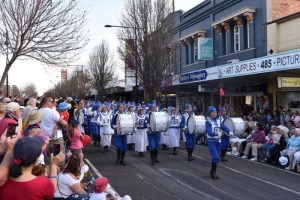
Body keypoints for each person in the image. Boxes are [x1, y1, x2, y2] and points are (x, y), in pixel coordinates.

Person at [205, 106, 232, 179]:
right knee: (215, 156)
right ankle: (213, 173)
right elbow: (209, 132)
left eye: (216, 112)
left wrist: (229, 131)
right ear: (210, 113)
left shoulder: (218, 121)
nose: (215, 113)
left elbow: (223, 127)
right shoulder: (208, 122)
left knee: (216, 159)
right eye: (213, 112)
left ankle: (213, 171)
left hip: (218, 141)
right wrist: (217, 134)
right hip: (211, 141)